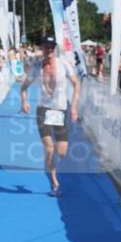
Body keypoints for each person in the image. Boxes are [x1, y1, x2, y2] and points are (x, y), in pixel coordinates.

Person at [20, 36, 81, 197]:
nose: (48, 50)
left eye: (51, 47)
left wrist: (74, 106)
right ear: (42, 48)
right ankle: (54, 183)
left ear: (54, 48)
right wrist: (24, 102)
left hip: (60, 110)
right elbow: (24, 87)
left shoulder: (63, 64)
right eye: (46, 47)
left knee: (62, 152)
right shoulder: (37, 67)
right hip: (43, 110)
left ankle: (51, 162)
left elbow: (76, 84)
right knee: (49, 149)